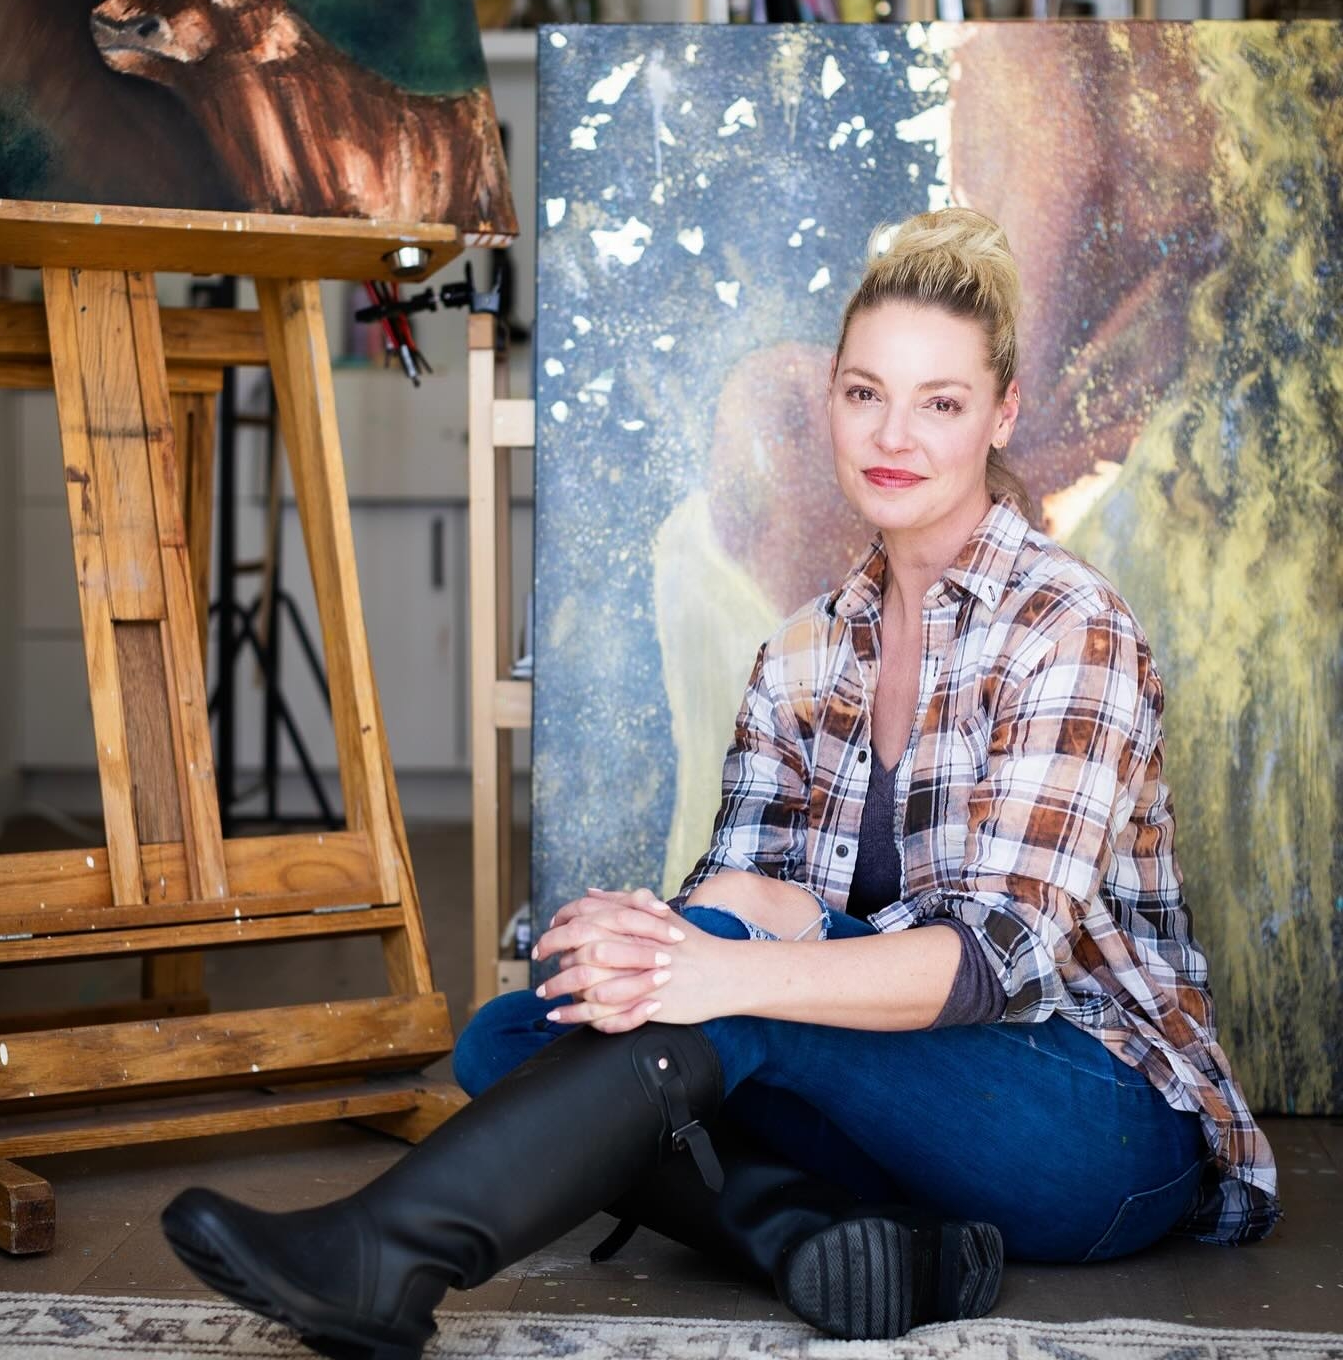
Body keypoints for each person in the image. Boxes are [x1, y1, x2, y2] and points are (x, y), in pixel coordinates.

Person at [161, 208, 1279, 1359]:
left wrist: (723, 957)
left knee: (710, 998)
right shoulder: (801, 651)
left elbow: (991, 964)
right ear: (831, 401)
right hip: (902, 1109)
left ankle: (384, 1255)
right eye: (864, 393)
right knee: (520, 1033)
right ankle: (822, 1238)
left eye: (940, 403)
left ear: (1001, 415)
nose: (893, 434)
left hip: (1097, 1122)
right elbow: (735, 896)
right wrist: (675, 934)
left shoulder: (1068, 627)